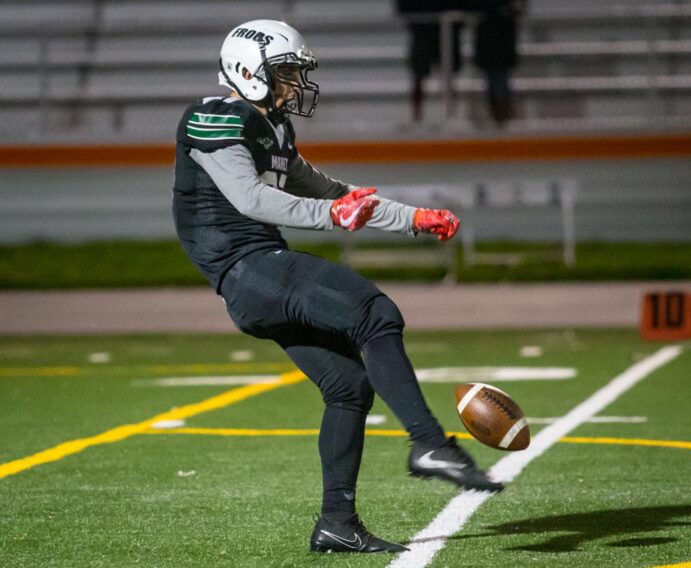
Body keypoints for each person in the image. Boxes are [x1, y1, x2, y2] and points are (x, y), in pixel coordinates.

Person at [172, 19, 502, 554]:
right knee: (374, 313)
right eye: (285, 72)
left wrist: (412, 218)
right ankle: (429, 444)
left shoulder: (272, 126)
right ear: (247, 70)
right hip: (249, 270)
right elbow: (253, 201)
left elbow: (335, 191)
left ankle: (336, 523)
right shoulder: (214, 116)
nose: (295, 84)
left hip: (259, 275)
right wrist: (333, 214)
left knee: (348, 386)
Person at [396, 0, 464, 122]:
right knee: (419, 75)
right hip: (422, 31)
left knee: (448, 76)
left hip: (446, 30)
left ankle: (452, 115)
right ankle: (417, 116)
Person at [473, 0, 526, 125]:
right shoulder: (502, 14)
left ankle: (500, 116)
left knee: (497, 80)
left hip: (496, 39)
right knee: (497, 80)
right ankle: (500, 116)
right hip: (496, 39)